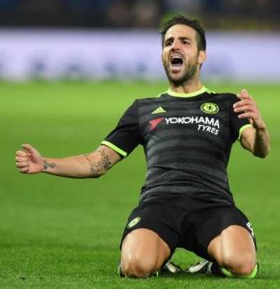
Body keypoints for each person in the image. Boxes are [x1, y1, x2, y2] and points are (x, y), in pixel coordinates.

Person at [15, 15, 270, 279]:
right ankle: (158, 260)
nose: (174, 47)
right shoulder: (143, 109)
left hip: (213, 204)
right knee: (136, 266)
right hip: (159, 204)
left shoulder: (226, 104)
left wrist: (261, 129)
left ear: (201, 56)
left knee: (242, 264)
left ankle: (212, 265)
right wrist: (44, 164)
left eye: (184, 41)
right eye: (169, 42)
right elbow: (97, 162)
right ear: (163, 55)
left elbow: (258, 148)